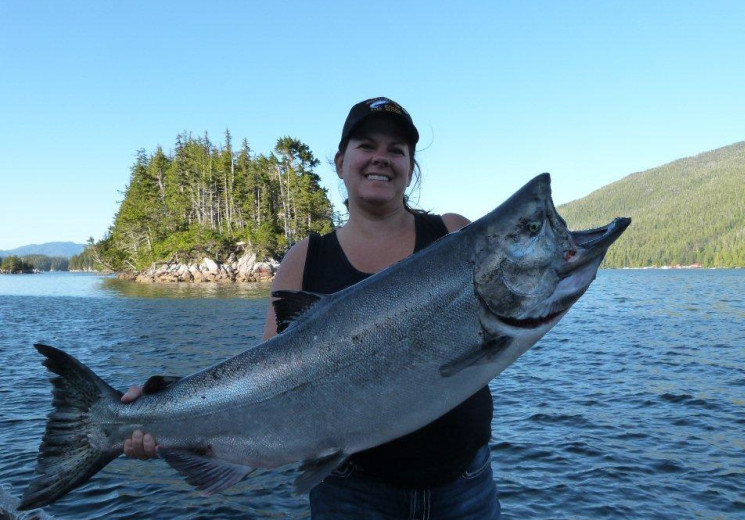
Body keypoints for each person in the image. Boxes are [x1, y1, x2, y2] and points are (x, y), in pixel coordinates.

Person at [122, 97, 501, 519]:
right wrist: (159, 408)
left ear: (410, 167)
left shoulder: (453, 235)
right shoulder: (304, 259)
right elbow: (261, 377)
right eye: (366, 145)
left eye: (397, 150)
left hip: (465, 486)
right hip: (352, 494)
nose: (382, 158)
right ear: (340, 162)